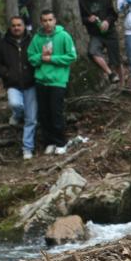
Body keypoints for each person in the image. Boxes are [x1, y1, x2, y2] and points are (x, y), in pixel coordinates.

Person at [27, 10, 77, 155]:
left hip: (58, 81)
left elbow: (71, 56)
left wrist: (52, 59)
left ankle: (61, 142)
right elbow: (31, 57)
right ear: (41, 22)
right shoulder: (37, 38)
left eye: (50, 20)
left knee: (56, 112)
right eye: (44, 20)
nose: (47, 23)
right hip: (41, 80)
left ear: (55, 20)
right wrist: (41, 57)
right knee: (44, 113)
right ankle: (49, 142)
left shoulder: (63, 36)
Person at [0, 16, 37, 159]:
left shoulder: (32, 41)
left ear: (24, 26)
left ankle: (27, 148)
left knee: (32, 119)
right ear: (10, 27)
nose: (16, 28)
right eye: (13, 25)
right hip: (13, 83)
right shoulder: (2, 44)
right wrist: (7, 73)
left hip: (31, 84)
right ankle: (17, 115)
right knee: (15, 104)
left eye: (19, 25)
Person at [78, 0, 121, 84]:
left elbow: (113, 14)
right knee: (92, 51)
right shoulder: (81, 0)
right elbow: (78, 18)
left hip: (110, 32)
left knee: (116, 60)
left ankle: (122, 86)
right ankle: (110, 74)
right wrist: (88, 19)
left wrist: (107, 21)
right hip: (95, 34)